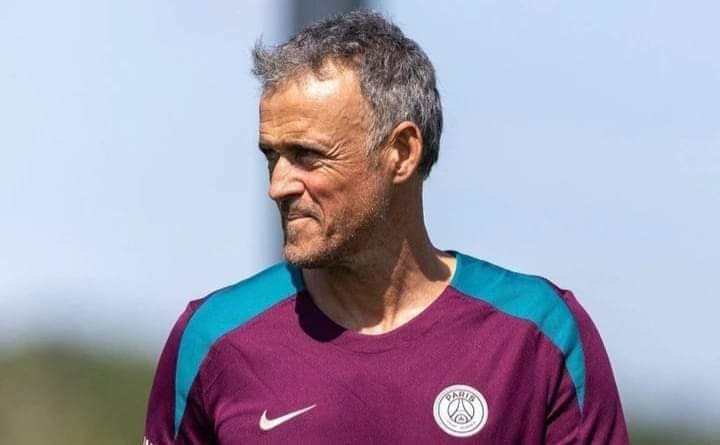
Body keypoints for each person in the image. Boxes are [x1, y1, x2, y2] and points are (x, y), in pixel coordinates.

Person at [144, 10, 628, 444]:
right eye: (272, 155)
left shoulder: (537, 336)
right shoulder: (214, 339)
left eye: (307, 155)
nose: (278, 186)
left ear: (401, 152)